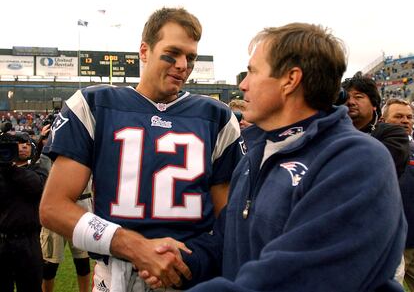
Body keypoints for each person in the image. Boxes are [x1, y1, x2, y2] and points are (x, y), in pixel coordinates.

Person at [141, 23, 407, 291]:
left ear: (290, 79)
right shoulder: (255, 155)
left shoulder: (356, 161)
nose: (243, 85)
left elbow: (300, 277)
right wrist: (185, 261)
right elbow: (228, 241)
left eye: (252, 72)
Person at [39, 6, 243, 292]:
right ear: (144, 51)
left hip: (191, 277)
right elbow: (52, 208)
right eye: (173, 52)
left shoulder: (216, 117)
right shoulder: (94, 105)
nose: (183, 64)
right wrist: (135, 247)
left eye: (191, 57)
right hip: (116, 277)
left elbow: (229, 222)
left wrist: (189, 260)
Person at [38, 123, 92, 292]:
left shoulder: (86, 147)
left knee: (83, 262)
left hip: (82, 207)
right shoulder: (48, 152)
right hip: (56, 207)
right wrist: (41, 140)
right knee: (49, 264)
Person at [0, 130, 48, 292]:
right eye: (18, 144)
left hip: (27, 241)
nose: (23, 147)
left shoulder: (38, 169)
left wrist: (10, 169)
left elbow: (36, 186)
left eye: (27, 144)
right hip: (2, 241)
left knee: (31, 287)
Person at [342, 75, 409, 177]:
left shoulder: (394, 134)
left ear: (374, 104)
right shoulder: (331, 132)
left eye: (358, 97)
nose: (350, 102)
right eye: (346, 97)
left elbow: (378, 168)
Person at [381, 98, 414, 290]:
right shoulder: (374, 148)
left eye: (409, 117)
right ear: (383, 121)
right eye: (398, 116)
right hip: (392, 242)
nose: (405, 121)